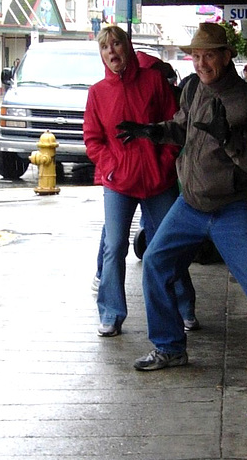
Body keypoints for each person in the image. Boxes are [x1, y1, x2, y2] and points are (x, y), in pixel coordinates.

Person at [116, 22, 247, 371]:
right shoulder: (192, 88)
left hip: (230, 208)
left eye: (210, 55)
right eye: (196, 55)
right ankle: (170, 347)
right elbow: (181, 128)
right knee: (156, 263)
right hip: (189, 205)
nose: (202, 63)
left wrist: (229, 139)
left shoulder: (246, 100)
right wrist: (154, 132)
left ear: (227, 55)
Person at [83, 25, 197, 338]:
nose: (112, 53)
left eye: (116, 45)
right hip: (118, 183)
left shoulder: (153, 82)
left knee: (167, 246)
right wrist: (111, 168)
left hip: (158, 180)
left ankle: (185, 307)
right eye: (105, 48)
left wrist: (164, 163)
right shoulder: (97, 93)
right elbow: (93, 140)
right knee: (114, 245)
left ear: (128, 46)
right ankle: (110, 313)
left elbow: (174, 127)